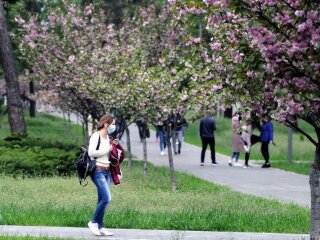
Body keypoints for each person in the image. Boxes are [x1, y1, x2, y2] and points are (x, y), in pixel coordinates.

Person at [87, 114, 118, 236]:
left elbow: (108, 154)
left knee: (101, 199)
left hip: (107, 170)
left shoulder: (108, 138)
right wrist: (108, 149)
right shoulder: (96, 135)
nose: (114, 127)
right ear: (106, 124)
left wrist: (114, 146)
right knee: (107, 198)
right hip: (98, 170)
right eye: (113, 124)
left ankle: (100, 226)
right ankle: (93, 222)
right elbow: (91, 152)